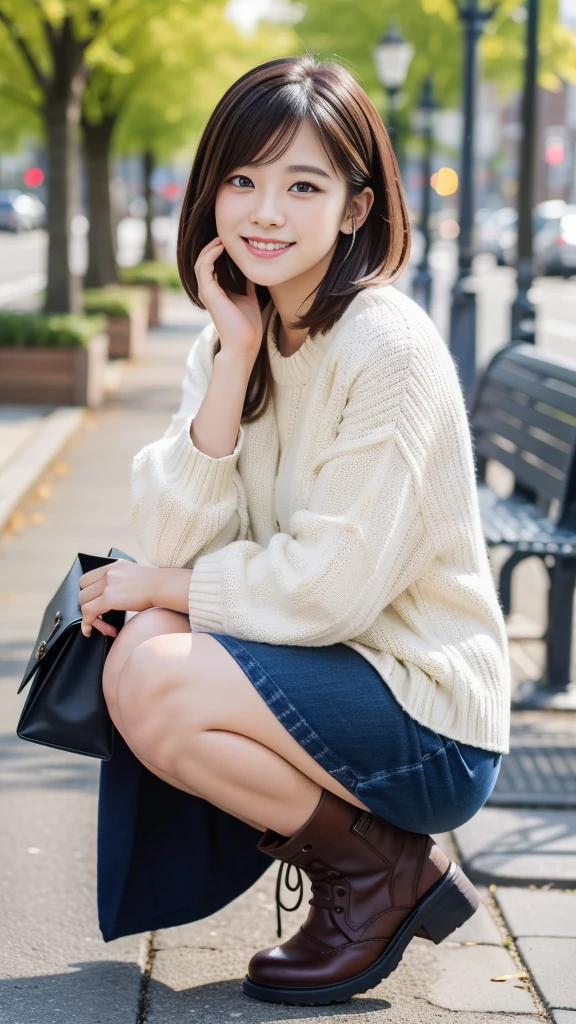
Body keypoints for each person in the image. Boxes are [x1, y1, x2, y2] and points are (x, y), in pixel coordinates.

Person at [78, 55, 510, 1007]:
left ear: (356, 208)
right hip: (328, 671)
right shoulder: (239, 330)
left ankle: (380, 875)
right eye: (242, 179)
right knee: (143, 648)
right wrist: (232, 363)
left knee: (153, 657)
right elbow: (171, 539)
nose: (264, 211)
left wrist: (162, 587)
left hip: (425, 712)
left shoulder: (386, 349)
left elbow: (330, 588)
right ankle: (378, 869)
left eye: (301, 185)